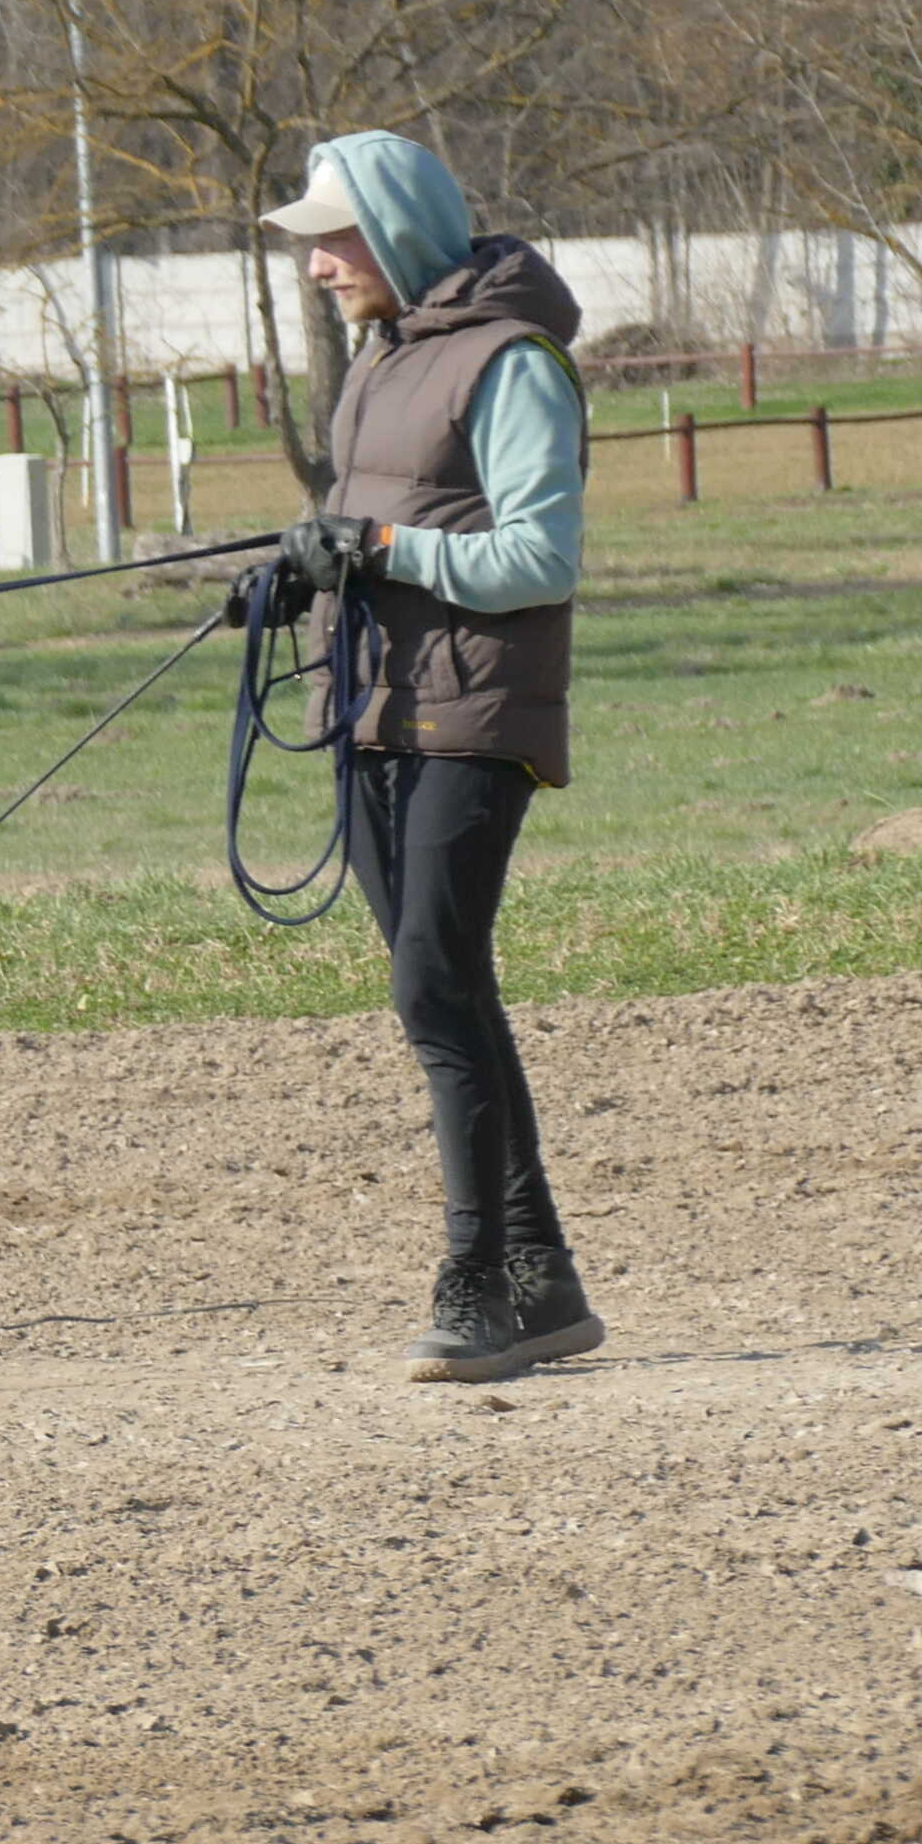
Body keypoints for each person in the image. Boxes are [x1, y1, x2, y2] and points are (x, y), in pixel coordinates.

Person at [258, 131, 602, 1383]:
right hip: (372, 710)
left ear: (396, 230)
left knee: (432, 988)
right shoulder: (382, 357)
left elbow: (539, 560)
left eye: (332, 242)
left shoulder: (513, 366)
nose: (316, 268)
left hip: (476, 718)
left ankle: (478, 1284)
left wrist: (382, 551)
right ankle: (544, 1282)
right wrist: (299, 574)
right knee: (448, 992)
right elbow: (374, 523)